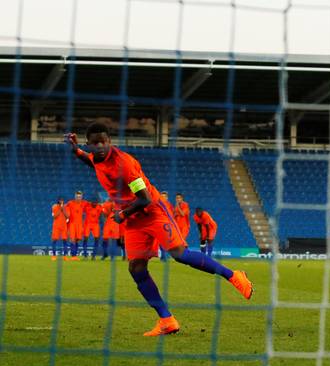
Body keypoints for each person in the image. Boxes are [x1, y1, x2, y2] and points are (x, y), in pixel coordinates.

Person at [64, 123, 254, 336]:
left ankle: (234, 276)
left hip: (152, 211)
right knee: (136, 268)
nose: (100, 146)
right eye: (95, 143)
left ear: (110, 142)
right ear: (89, 144)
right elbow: (92, 163)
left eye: (104, 142)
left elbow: (144, 198)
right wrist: (75, 150)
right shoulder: (97, 158)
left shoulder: (124, 164)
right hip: (134, 221)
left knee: (179, 255)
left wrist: (122, 214)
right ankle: (167, 320)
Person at [65, 191, 86, 260]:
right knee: (72, 239)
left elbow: (92, 205)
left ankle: (75, 255)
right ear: (75, 197)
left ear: (82, 197)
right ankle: (73, 255)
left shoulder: (84, 203)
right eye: (77, 197)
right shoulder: (70, 203)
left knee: (77, 240)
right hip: (72, 224)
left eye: (79, 197)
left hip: (80, 224)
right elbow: (64, 208)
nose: (78, 198)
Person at [158, 192, 174, 261]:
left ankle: (164, 256)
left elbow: (171, 215)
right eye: (162, 196)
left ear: (167, 198)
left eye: (164, 197)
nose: (163, 198)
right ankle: (163, 255)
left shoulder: (169, 205)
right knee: (160, 241)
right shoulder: (158, 204)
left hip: (166, 224)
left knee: (165, 240)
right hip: (158, 224)